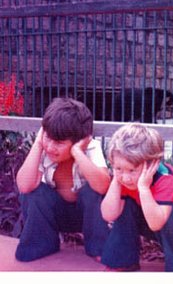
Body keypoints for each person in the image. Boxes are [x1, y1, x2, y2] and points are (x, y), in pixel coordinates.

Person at [15, 97, 111, 262]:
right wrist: (38, 144)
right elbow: (24, 186)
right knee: (34, 192)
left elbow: (103, 187)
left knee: (92, 191)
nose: (51, 146)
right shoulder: (43, 149)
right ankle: (41, 244)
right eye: (48, 138)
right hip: (55, 216)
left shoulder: (90, 148)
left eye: (59, 142)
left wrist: (78, 153)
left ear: (79, 141)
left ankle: (99, 247)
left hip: (85, 217)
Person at [100, 123, 173, 271]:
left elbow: (157, 223)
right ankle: (123, 261)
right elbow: (108, 215)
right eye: (118, 168)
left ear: (152, 165)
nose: (125, 177)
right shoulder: (122, 178)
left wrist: (144, 188)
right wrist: (115, 180)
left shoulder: (164, 177)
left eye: (132, 170)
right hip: (149, 217)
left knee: (171, 214)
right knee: (125, 205)